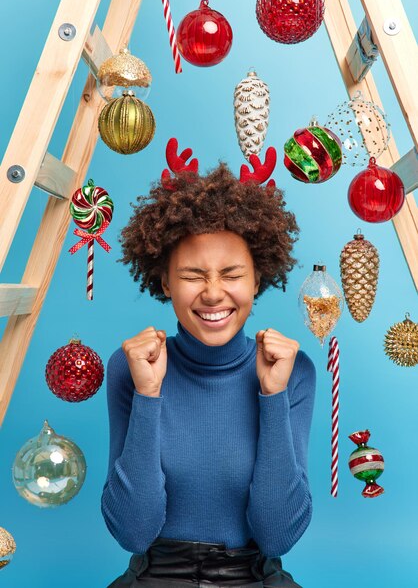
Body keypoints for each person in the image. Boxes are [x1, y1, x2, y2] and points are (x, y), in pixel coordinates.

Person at [101, 139, 316, 588]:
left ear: (258, 279)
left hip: (254, 578)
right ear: (164, 281)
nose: (214, 293)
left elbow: (277, 535)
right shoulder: (129, 369)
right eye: (193, 275)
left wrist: (272, 397)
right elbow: (133, 531)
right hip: (156, 577)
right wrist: (148, 394)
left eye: (233, 275)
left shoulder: (293, 371)